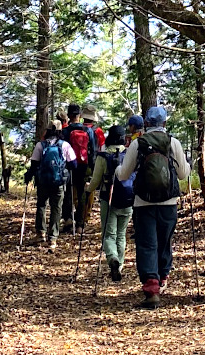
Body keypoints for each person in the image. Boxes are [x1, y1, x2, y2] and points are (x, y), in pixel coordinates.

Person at [115, 106, 190, 309]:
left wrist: (117, 167)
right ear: (164, 123)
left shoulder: (138, 144)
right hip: (168, 203)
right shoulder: (173, 142)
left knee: (147, 244)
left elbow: (123, 175)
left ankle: (151, 289)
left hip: (143, 202)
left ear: (146, 123)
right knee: (165, 241)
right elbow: (183, 174)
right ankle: (162, 277)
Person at [88, 124, 135, 282]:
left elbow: (95, 181)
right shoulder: (129, 154)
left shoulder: (102, 156)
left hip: (108, 199)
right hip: (128, 199)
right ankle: (119, 265)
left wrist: (87, 190)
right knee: (121, 235)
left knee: (109, 234)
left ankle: (112, 258)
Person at [27, 126, 69, 250]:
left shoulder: (41, 145)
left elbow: (34, 164)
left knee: (41, 205)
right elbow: (73, 163)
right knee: (56, 208)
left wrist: (29, 176)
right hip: (59, 181)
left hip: (43, 181)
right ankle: (53, 238)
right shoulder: (64, 145)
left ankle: (41, 233)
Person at [62, 103, 99, 234]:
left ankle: (67, 219)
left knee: (68, 192)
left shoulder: (65, 131)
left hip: (69, 166)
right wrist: (93, 168)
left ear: (69, 115)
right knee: (83, 193)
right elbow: (94, 151)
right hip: (84, 166)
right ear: (79, 116)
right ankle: (80, 224)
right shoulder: (88, 131)